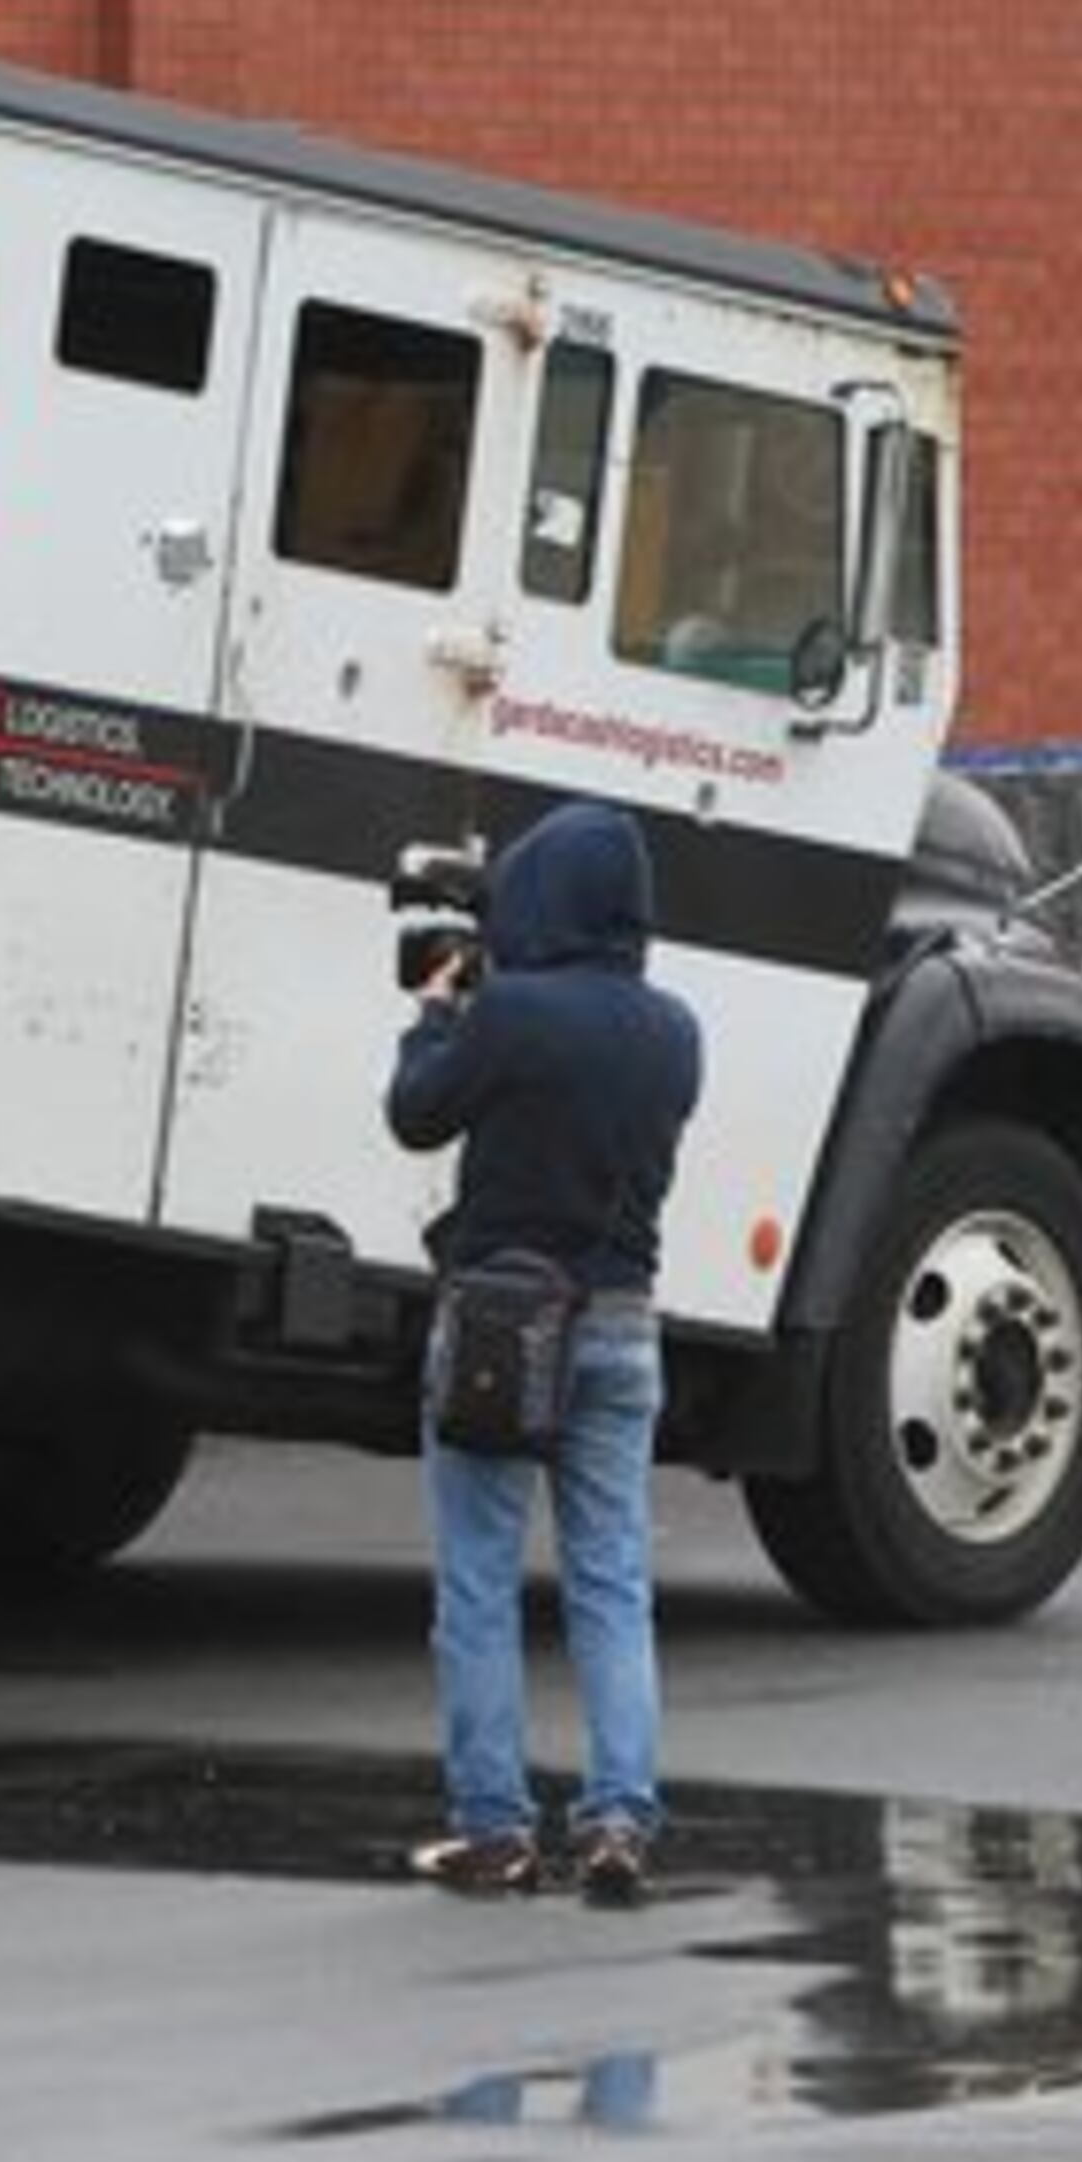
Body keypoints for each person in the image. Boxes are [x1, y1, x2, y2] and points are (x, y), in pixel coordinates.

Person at [386, 801, 702, 1901]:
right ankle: (619, 1821)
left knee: (478, 1583)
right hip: (622, 1323)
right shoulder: (676, 1032)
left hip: (499, 1325)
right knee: (612, 1585)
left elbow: (416, 1115)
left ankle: (496, 1829)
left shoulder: (508, 1016)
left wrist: (437, 1014)